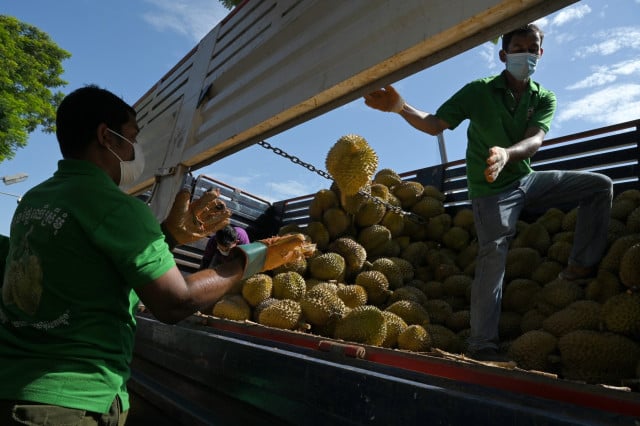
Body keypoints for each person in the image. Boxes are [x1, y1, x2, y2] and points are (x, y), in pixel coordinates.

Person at [0, 85, 312, 425]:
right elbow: (174, 302)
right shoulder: (117, 208)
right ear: (107, 137)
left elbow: (93, 273)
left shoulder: (35, 200)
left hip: (12, 384)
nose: (137, 149)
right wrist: (253, 259)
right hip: (69, 400)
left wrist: (168, 236)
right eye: (132, 137)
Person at [364, 24, 612, 362]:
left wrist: (508, 154)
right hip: (489, 190)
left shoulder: (543, 96)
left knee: (599, 185)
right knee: (493, 254)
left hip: (525, 178)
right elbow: (435, 123)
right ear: (503, 55)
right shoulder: (478, 91)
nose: (525, 53)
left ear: (540, 53)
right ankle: (482, 344)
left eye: (532, 47)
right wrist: (401, 107)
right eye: (518, 47)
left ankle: (579, 267)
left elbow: (536, 139)